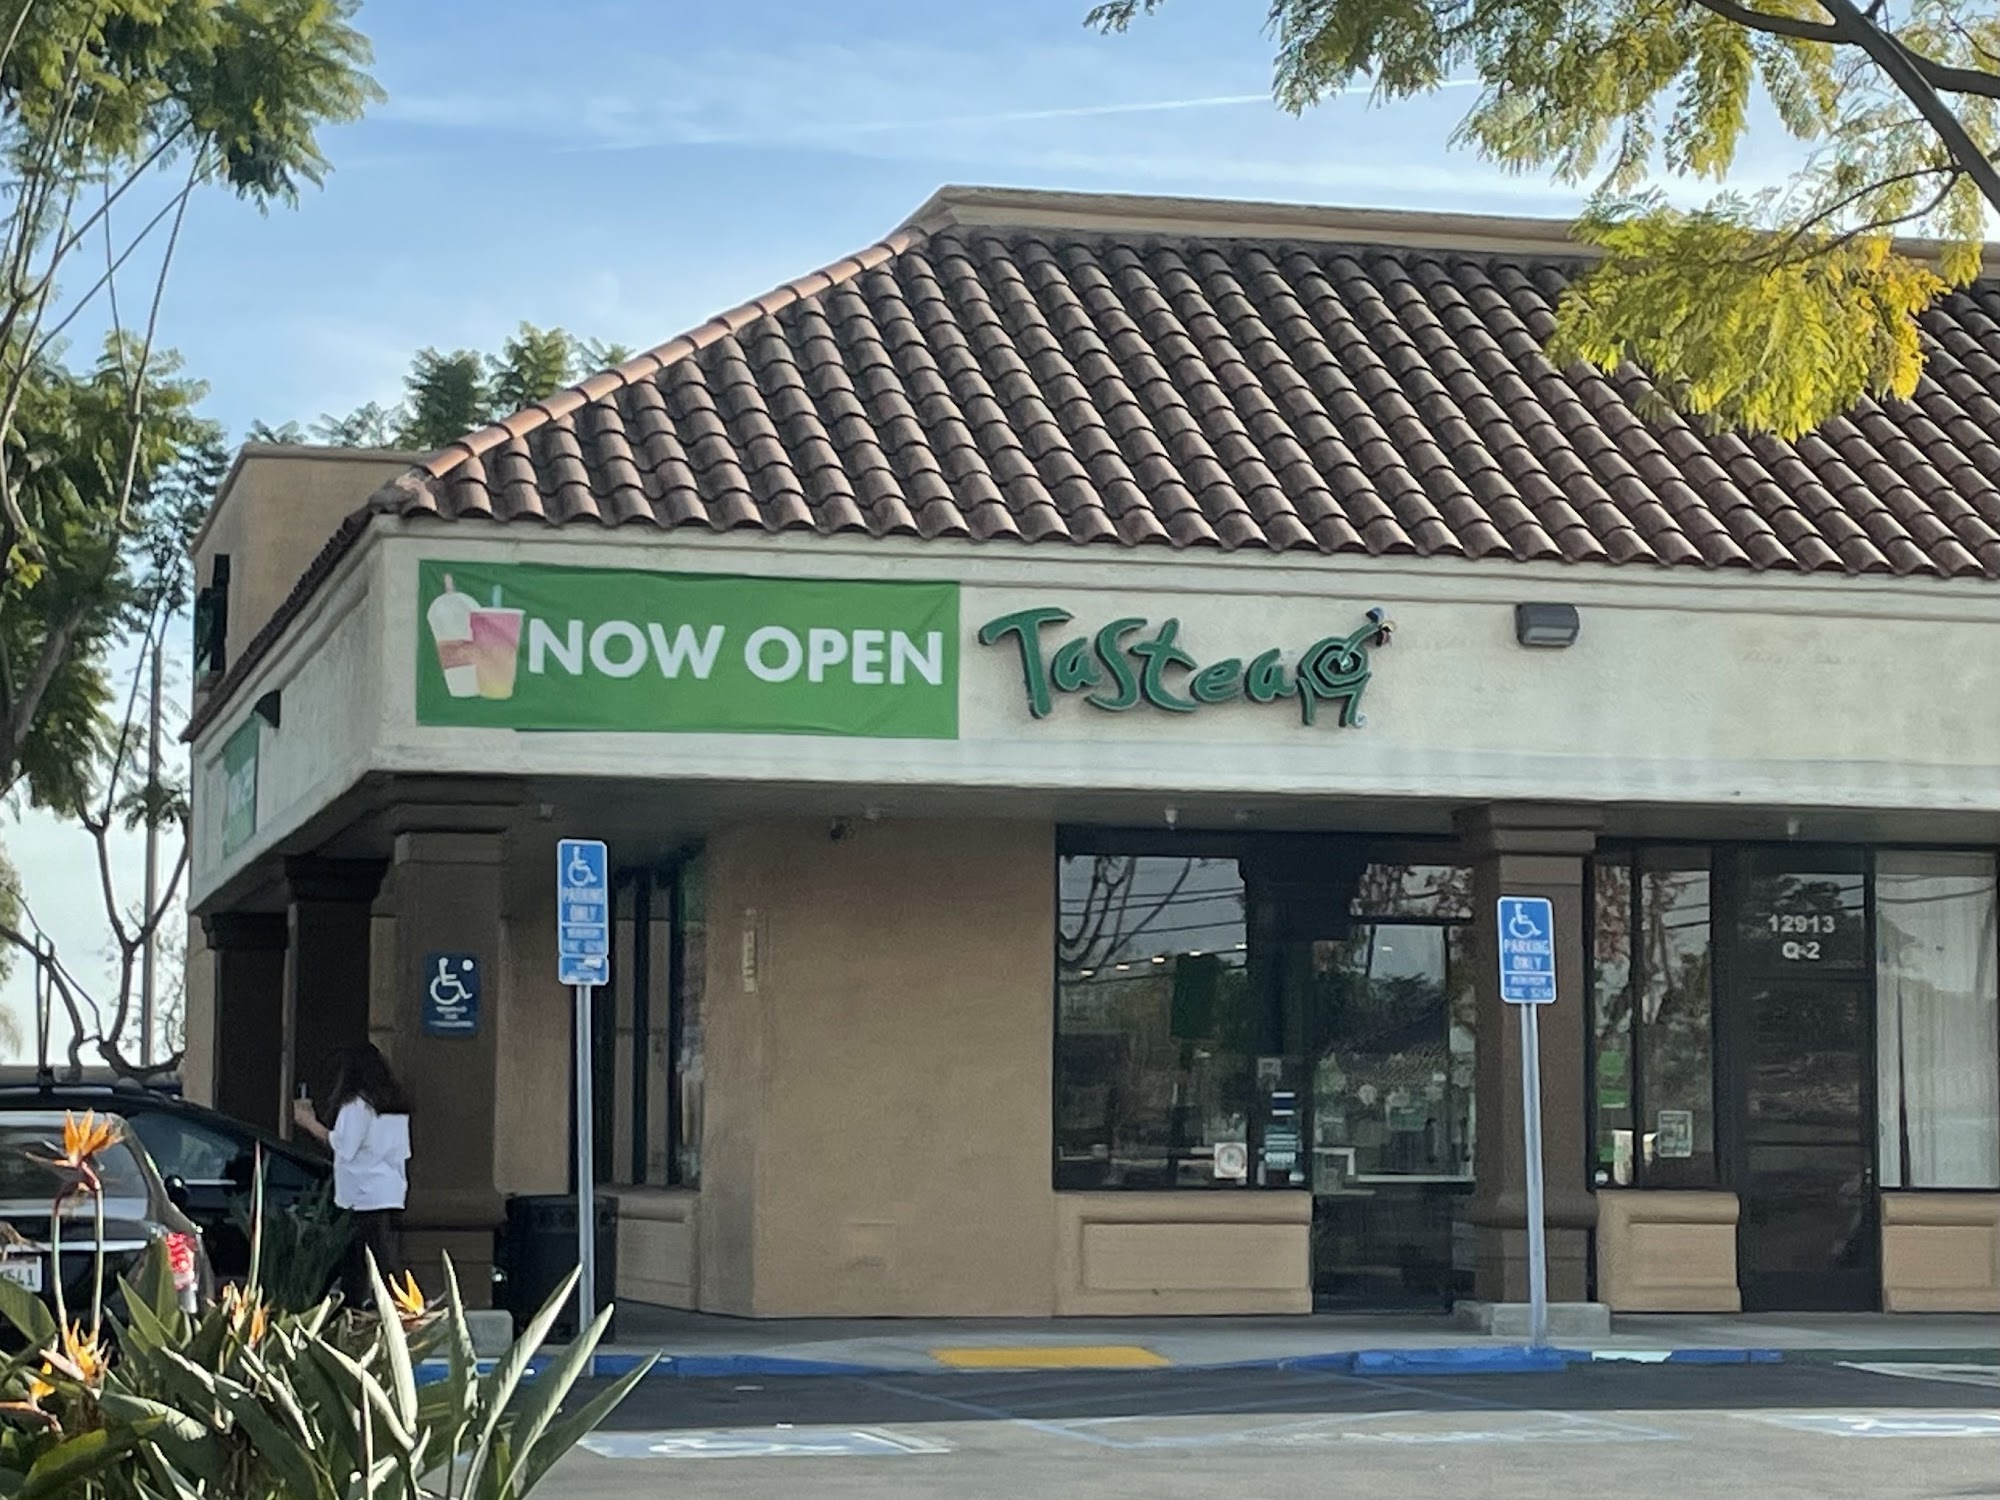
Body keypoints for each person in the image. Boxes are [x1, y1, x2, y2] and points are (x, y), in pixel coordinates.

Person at [292, 1042, 412, 1308]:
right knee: (372, 1258)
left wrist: (308, 1122)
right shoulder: (393, 1105)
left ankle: (359, 1308)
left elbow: (342, 1145)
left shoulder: (356, 1106)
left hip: (362, 1195)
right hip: (390, 1190)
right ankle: (376, 1306)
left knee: (362, 1259)